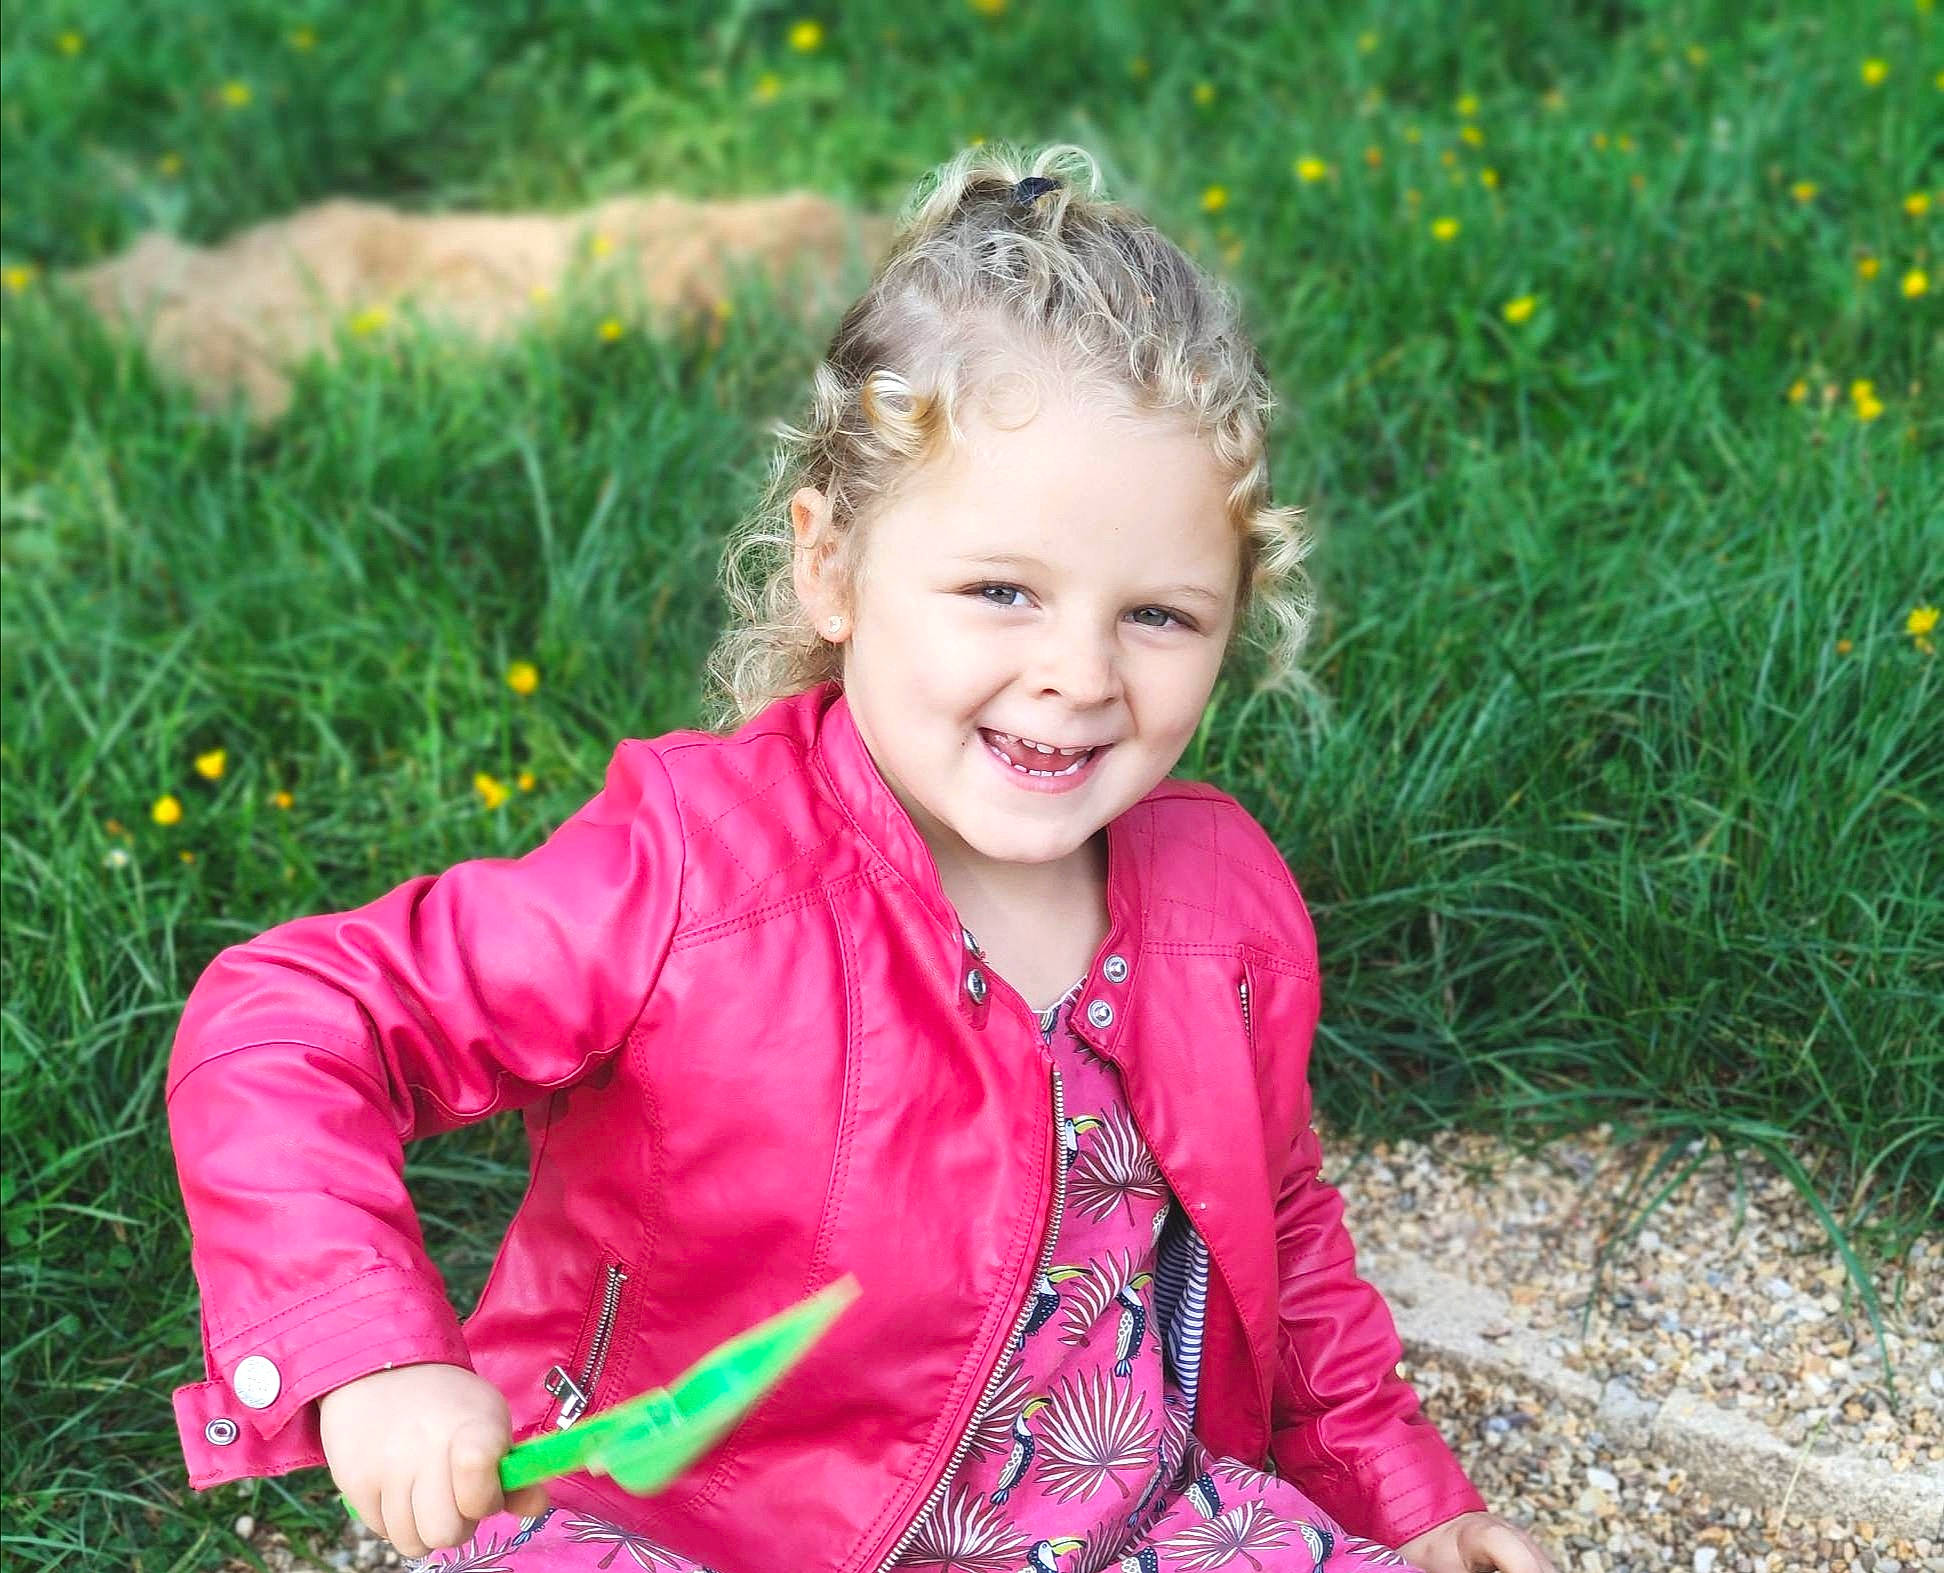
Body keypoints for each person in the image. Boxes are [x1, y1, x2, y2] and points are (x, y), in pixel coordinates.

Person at [165, 141, 1557, 1573]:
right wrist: (369, 1353)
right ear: (832, 566)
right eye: (1002, 590)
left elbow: (1281, 1223)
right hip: (684, 1535)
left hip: (1117, 1523)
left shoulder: (1221, 902)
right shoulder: (696, 873)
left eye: (1159, 616)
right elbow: (289, 1020)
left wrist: (1405, 1498)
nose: (1080, 675)